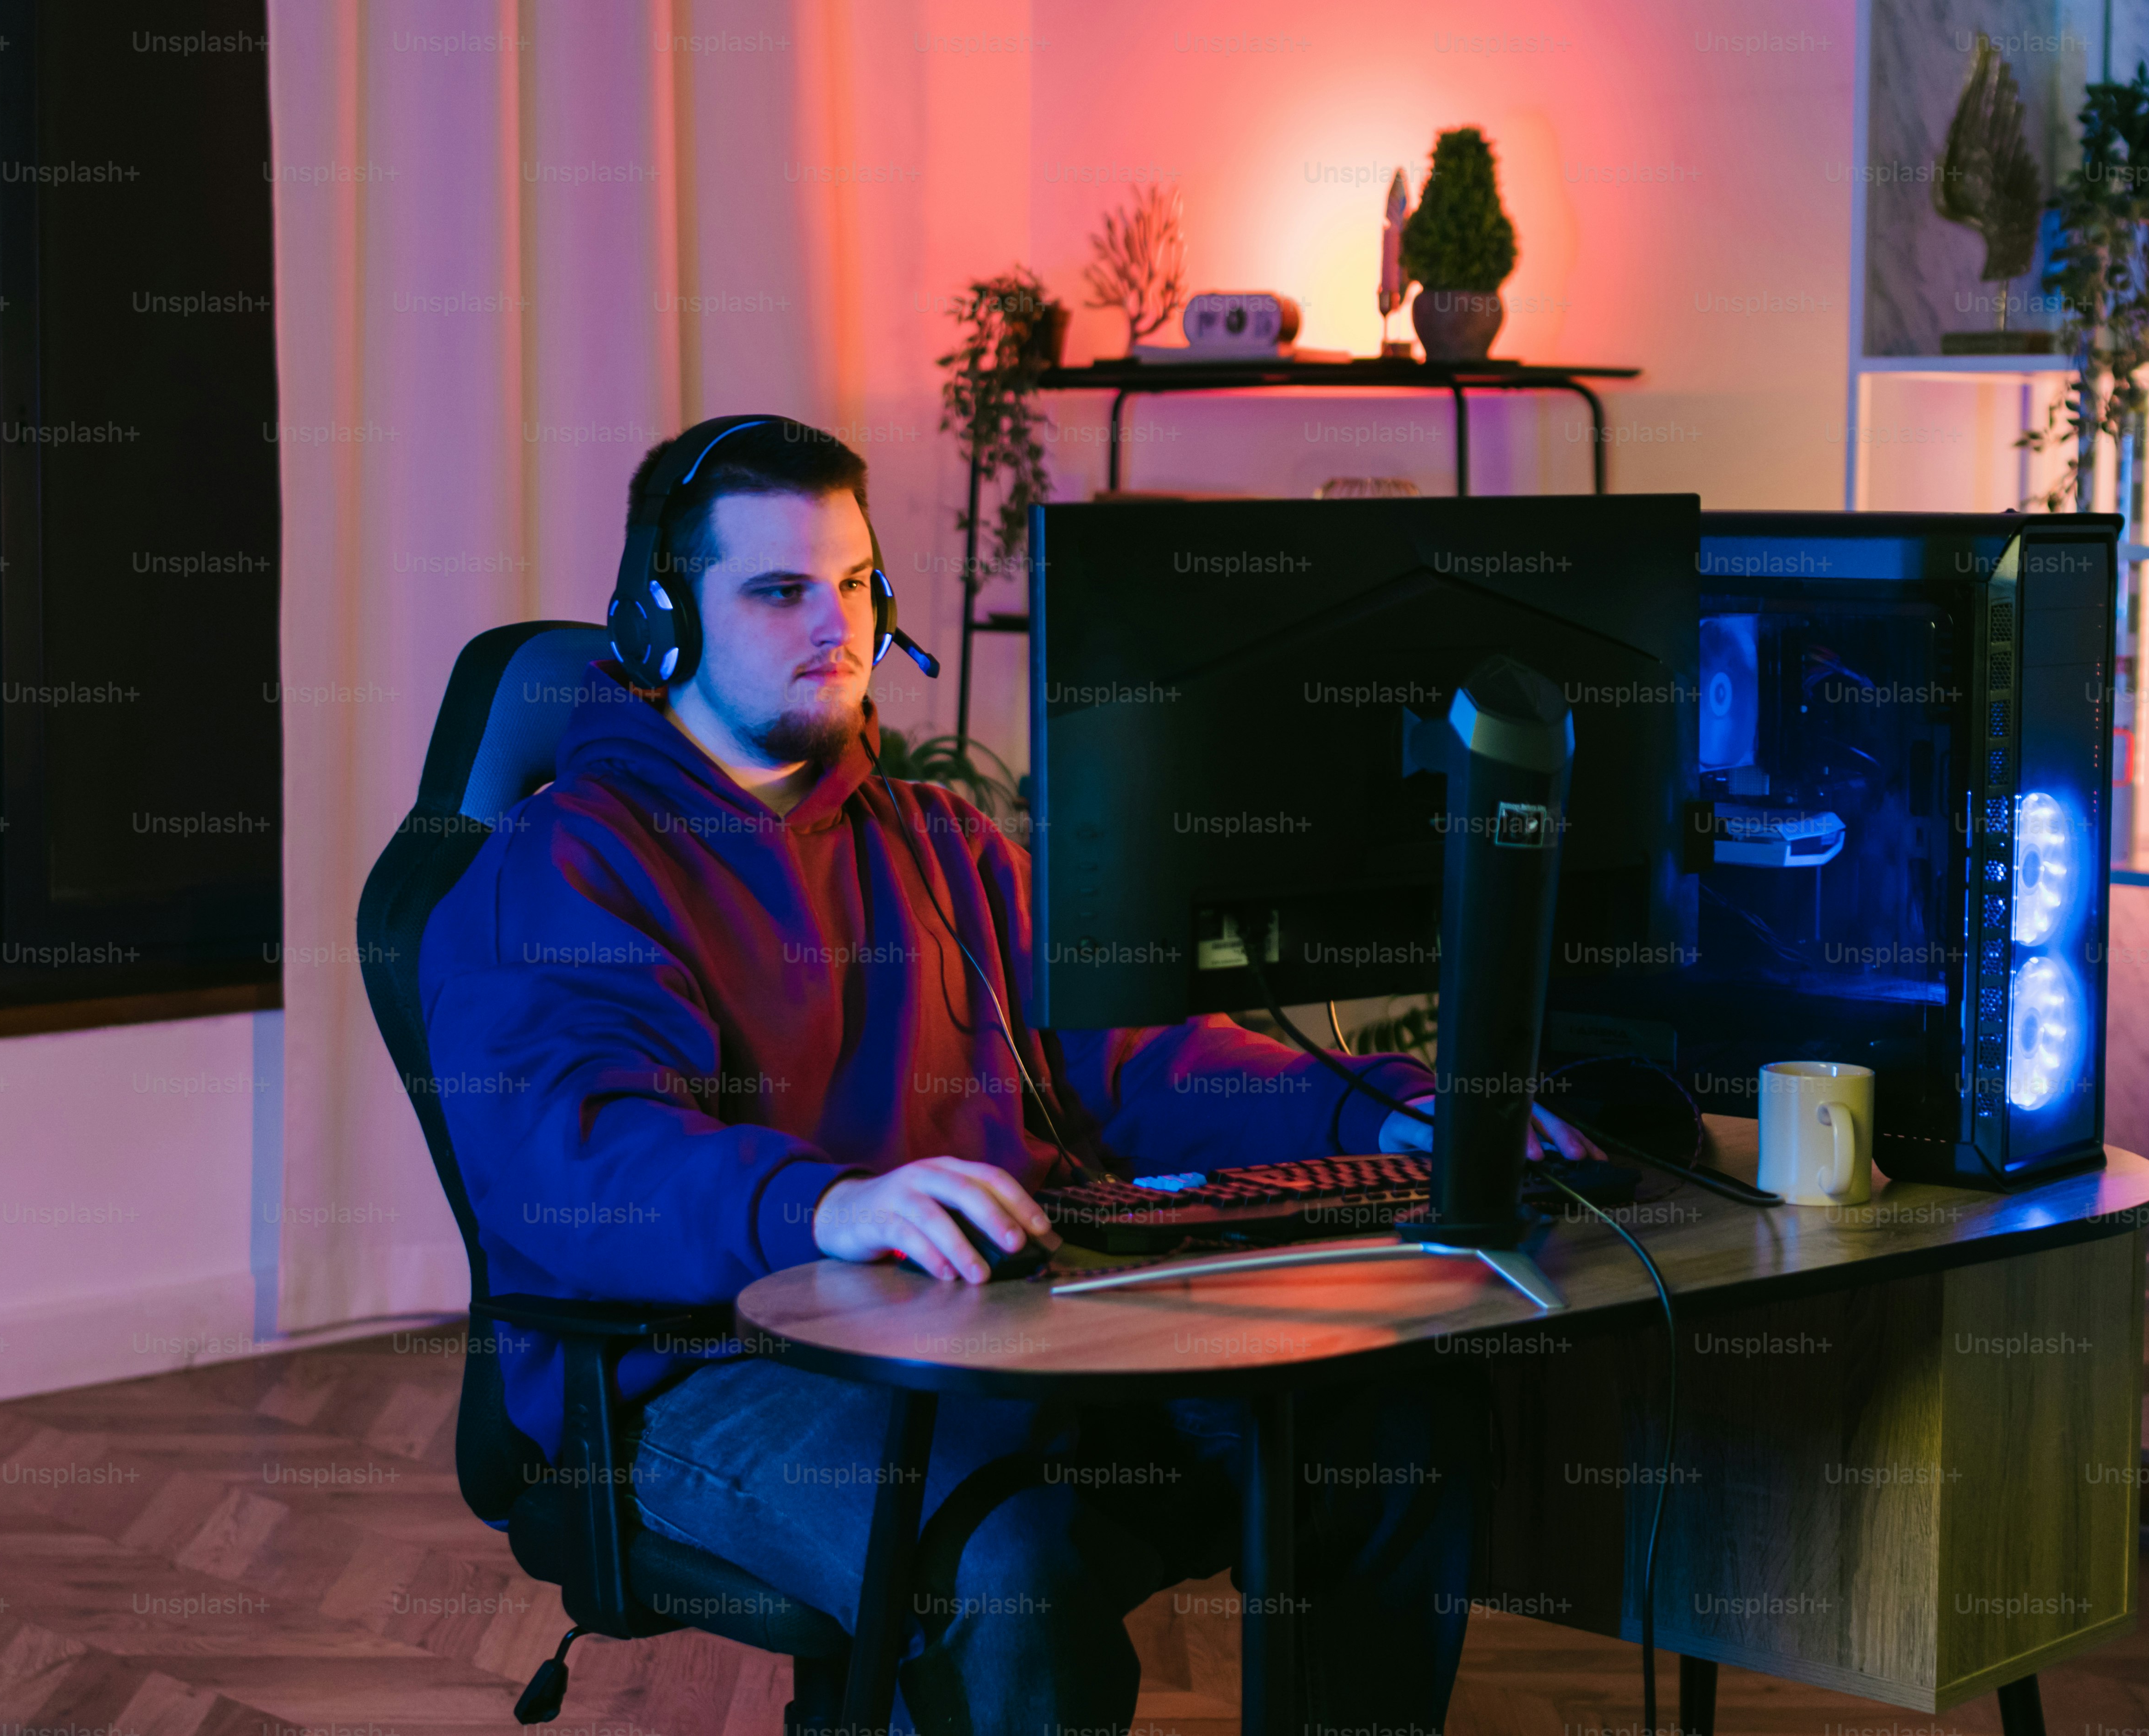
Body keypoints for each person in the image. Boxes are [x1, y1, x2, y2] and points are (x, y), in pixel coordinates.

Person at [418, 416, 1597, 1734]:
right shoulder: (570, 861)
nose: (839, 626)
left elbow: (1134, 1058)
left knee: (1389, 1428)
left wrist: (1393, 1112)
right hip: (693, 1377)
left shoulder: (939, 843)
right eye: (780, 589)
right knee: (1013, 1561)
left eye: (859, 583)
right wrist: (827, 1208)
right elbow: (576, 1150)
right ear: (659, 621)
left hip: (997, 1332)